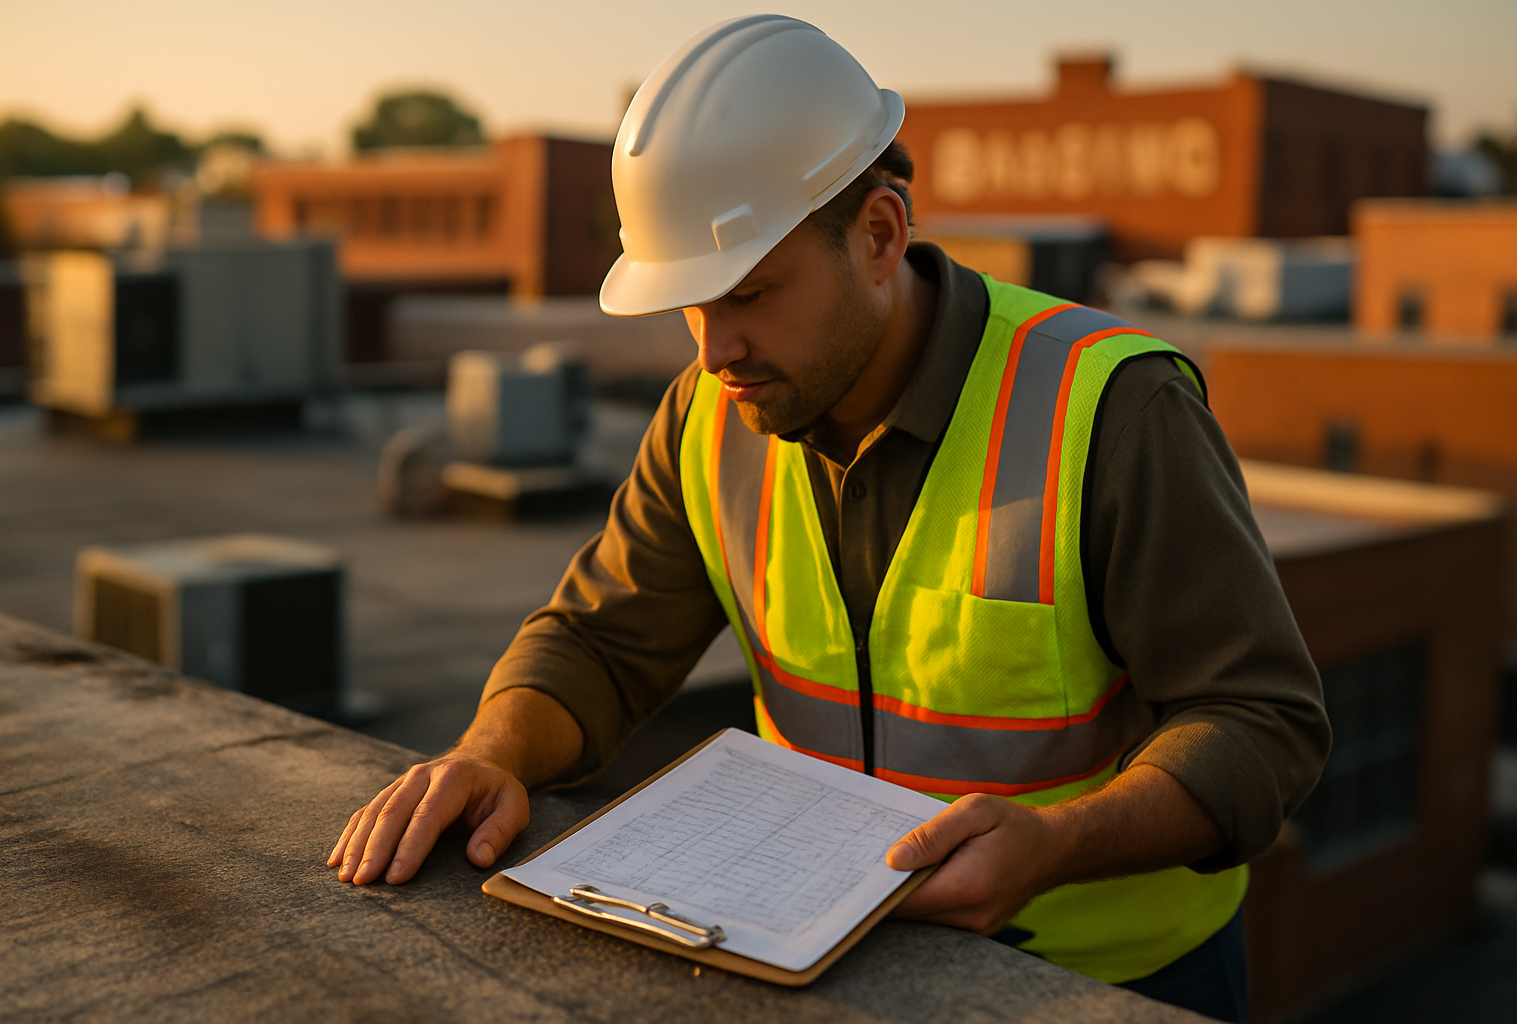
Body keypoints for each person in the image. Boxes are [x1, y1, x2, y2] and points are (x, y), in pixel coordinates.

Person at [328, 16, 1329, 1021]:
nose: (717, 348)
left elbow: (1262, 721)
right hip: (820, 967)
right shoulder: (709, 412)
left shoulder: (1114, 409)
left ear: (881, 235)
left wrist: (1059, 846)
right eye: (690, 304)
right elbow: (599, 640)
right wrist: (491, 754)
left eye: (750, 291)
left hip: (1109, 982)